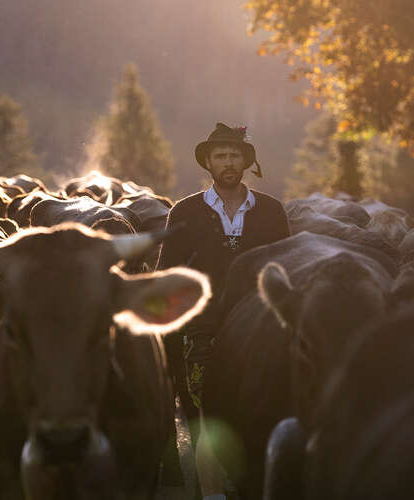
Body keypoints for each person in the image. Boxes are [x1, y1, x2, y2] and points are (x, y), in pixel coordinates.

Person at [156, 122, 291, 500]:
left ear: (247, 161)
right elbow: (167, 278)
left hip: (260, 334)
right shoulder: (184, 212)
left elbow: (286, 270)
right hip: (201, 336)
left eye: (234, 155)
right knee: (204, 423)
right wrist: (170, 342)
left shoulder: (271, 211)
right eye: (220, 156)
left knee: (260, 412)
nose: (228, 162)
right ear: (209, 164)